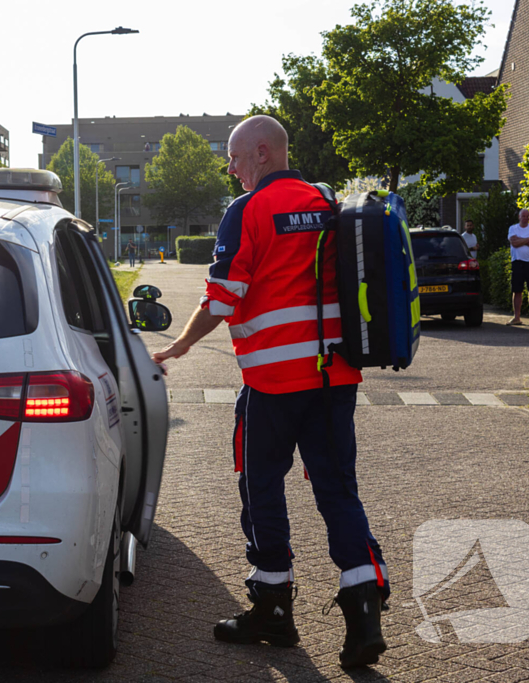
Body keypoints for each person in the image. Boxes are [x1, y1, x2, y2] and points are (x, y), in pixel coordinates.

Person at [152, 115, 388, 669]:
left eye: (234, 158)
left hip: (274, 383)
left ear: (262, 153)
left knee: (261, 486)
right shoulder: (329, 205)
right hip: (334, 378)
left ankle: (273, 611)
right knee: (337, 491)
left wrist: (179, 345)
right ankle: (364, 618)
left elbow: (223, 298)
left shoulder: (250, 209)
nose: (231, 169)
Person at [507, 209, 529, 325]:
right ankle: (516, 317)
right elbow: (514, 243)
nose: (525, 218)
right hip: (517, 261)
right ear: (519, 217)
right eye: (523, 216)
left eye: (527, 216)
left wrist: (520, 239)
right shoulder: (513, 228)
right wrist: (528, 239)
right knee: (517, 290)